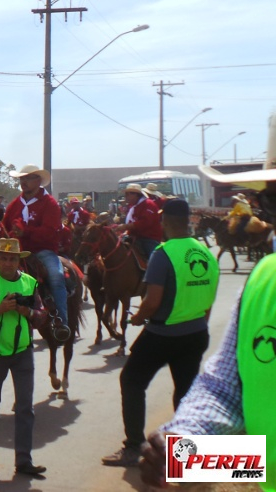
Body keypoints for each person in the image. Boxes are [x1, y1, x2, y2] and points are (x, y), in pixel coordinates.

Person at [139, 167, 276, 492]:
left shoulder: (162, 251)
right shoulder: (263, 279)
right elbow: (227, 386)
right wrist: (187, 446)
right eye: (271, 198)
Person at [101, 199, 220, 467]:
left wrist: (138, 317)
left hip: (163, 335)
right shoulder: (205, 252)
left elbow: (152, 301)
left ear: (164, 222)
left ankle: (133, 447)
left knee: (131, 381)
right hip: (197, 332)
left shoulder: (163, 254)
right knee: (185, 391)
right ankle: (189, 458)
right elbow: (208, 302)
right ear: (188, 220)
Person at [0, 238, 48, 477]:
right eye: (3, 257)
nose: (7, 262)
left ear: (19, 260)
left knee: (25, 406)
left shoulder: (29, 282)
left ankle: (23, 460)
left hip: (23, 351)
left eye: (12, 258)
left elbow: (42, 315)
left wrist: (29, 312)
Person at [3, 164, 68, 326]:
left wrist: (26, 232)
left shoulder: (50, 203)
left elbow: (50, 232)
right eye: (21, 179)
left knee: (56, 276)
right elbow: (4, 227)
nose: (23, 182)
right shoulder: (14, 204)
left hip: (42, 251)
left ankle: (61, 321)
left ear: (38, 181)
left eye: (27, 178)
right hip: (16, 252)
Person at [115, 183, 162, 261]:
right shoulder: (133, 206)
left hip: (149, 238)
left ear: (136, 195)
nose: (126, 196)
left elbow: (146, 223)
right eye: (125, 194)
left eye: (128, 194)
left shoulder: (149, 204)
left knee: (154, 261)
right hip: (134, 236)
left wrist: (126, 226)